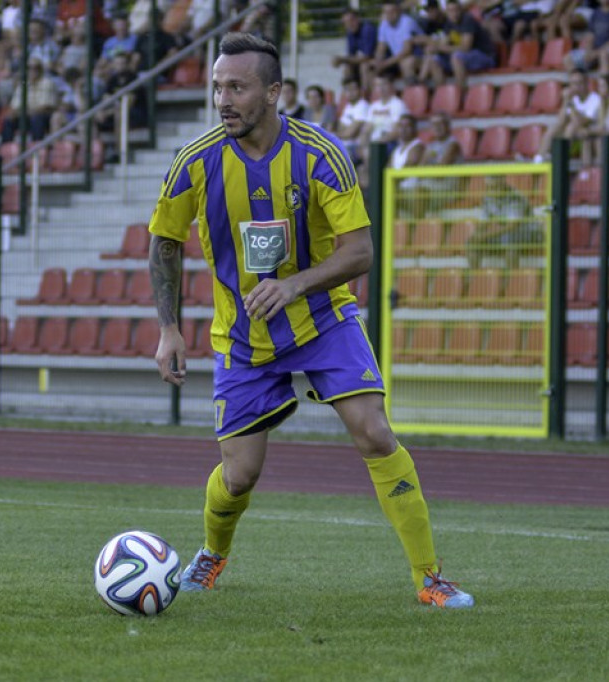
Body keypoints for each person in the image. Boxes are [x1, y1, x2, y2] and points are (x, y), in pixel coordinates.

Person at [147, 32, 474, 608]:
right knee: (239, 476)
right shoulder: (195, 161)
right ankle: (212, 554)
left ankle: (430, 579)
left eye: (237, 88)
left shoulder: (320, 154)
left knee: (374, 432)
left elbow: (360, 251)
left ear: (273, 92)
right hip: (244, 335)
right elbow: (164, 243)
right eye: (218, 87)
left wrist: (294, 284)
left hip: (324, 319)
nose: (223, 100)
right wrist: (169, 328)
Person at [534, 68, 599, 162]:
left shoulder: (595, 99)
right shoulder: (573, 98)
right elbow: (561, 121)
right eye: (573, 83)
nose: (576, 87)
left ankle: (560, 159)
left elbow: (581, 122)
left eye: (579, 83)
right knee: (554, 128)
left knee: (571, 127)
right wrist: (565, 101)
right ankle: (538, 159)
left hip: (587, 136)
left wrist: (571, 105)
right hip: (573, 135)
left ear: (586, 83)